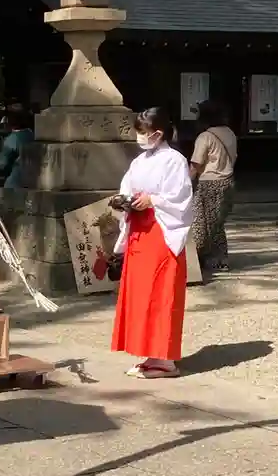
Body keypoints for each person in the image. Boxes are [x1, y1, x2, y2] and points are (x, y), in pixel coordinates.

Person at [111, 107, 193, 379]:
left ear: (158, 133)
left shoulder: (175, 160)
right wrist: (122, 200)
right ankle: (148, 353)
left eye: (144, 133)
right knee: (140, 295)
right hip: (139, 230)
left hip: (161, 231)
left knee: (161, 293)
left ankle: (165, 359)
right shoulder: (140, 161)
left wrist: (153, 200)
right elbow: (127, 187)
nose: (140, 138)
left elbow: (180, 198)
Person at [190, 100, 237, 272]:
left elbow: (196, 164)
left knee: (200, 224)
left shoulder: (205, 136)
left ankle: (205, 258)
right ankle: (221, 258)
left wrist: (185, 182)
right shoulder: (230, 133)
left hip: (208, 184)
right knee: (217, 223)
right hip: (228, 181)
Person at [0, 108, 34, 188]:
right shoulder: (31, 134)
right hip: (34, 176)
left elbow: (3, 164)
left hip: (17, 179)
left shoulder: (12, 139)